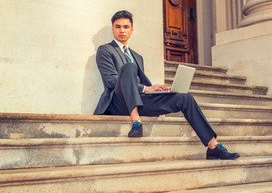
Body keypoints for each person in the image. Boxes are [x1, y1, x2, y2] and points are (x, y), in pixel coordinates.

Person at [94, 10, 240, 160]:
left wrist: (155, 90)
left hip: (139, 99)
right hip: (118, 103)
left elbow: (140, 85)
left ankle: (213, 146)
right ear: (113, 29)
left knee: (185, 99)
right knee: (129, 67)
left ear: (132, 30)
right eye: (118, 27)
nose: (122, 30)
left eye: (125, 27)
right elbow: (112, 80)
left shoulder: (138, 56)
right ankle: (136, 121)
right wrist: (146, 88)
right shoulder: (105, 50)